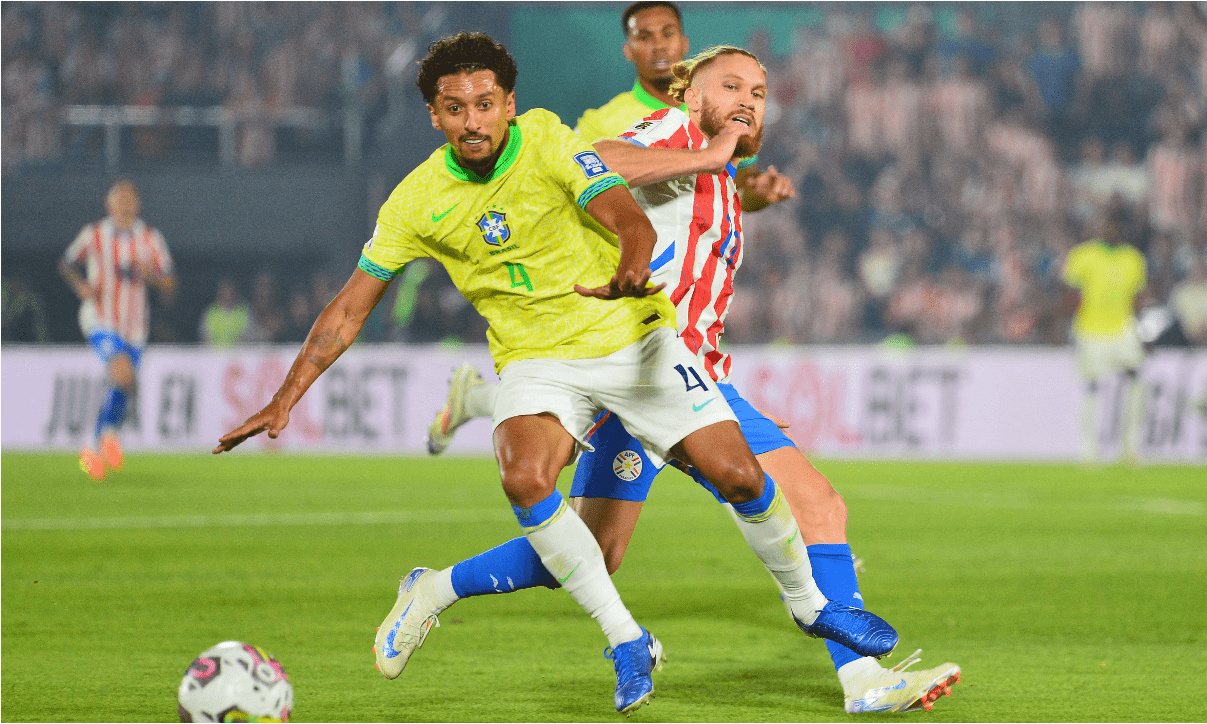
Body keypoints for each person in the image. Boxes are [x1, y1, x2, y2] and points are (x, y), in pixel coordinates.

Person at [211, 33, 897, 715]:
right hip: (545, 360)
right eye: (456, 108)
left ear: (508, 104)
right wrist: (285, 397)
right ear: (436, 116)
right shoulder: (426, 197)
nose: (473, 120)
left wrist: (673, 230)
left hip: (641, 345)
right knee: (538, 486)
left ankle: (439, 585)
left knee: (686, 507)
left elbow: (632, 216)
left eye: (485, 103)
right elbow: (348, 309)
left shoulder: (577, 143)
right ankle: (818, 671)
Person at [422, 46, 958, 715]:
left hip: (697, 379)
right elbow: (600, 162)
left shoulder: (722, 170)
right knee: (595, 553)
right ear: (689, 96)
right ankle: (436, 587)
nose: (747, 101)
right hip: (632, 369)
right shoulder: (674, 136)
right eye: (729, 86)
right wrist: (710, 157)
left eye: (759, 92)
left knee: (818, 506)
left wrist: (744, 193)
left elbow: (690, 232)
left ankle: (865, 683)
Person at [574, 1, 794, 211]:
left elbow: (740, 193)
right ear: (628, 50)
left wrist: (759, 195)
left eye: (668, 34)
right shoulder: (596, 124)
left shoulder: (726, 109)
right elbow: (581, 187)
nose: (659, 46)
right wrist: (705, 159)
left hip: (708, 251)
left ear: (684, 42)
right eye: (644, 37)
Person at [58, 180, 176, 481]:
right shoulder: (94, 234)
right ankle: (99, 439)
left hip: (135, 327)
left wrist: (153, 277)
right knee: (122, 372)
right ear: (108, 203)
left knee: (126, 383)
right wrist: (81, 286)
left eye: (129, 198)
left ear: (138, 203)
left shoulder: (150, 238)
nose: (124, 203)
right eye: (118, 198)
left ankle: (102, 439)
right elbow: (67, 263)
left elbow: (170, 283)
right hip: (101, 319)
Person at [1062, 204, 1148, 463]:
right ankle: (1089, 450)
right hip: (1091, 329)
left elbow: (1138, 299)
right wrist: (1066, 325)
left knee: (1135, 379)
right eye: (1104, 224)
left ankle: (1130, 447)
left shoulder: (1133, 258)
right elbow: (1069, 293)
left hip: (1123, 327)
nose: (1108, 229)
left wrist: (1142, 333)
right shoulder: (1083, 255)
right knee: (1092, 386)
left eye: (1114, 225)